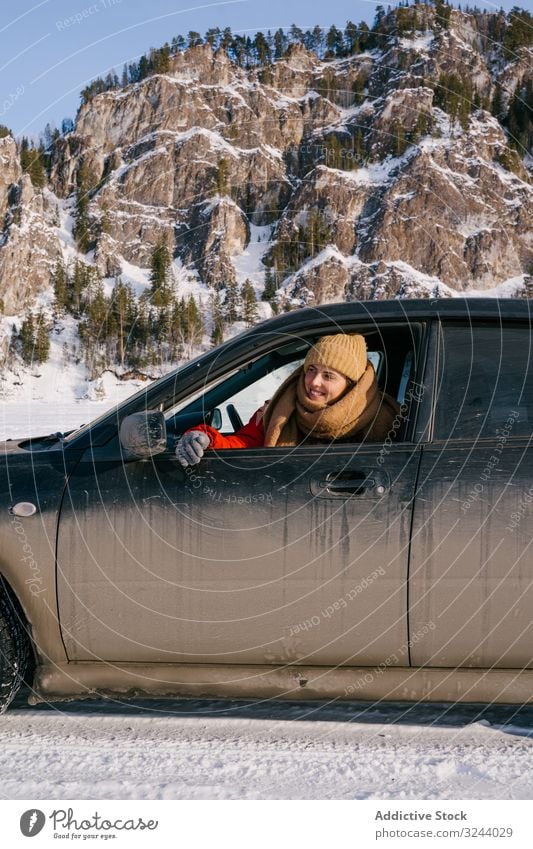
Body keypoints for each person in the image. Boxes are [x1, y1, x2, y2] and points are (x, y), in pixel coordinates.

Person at [176, 333, 400, 467]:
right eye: (311, 370)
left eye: (328, 376)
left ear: (351, 384)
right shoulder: (276, 409)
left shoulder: (386, 421)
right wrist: (205, 437)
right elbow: (244, 445)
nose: (313, 382)